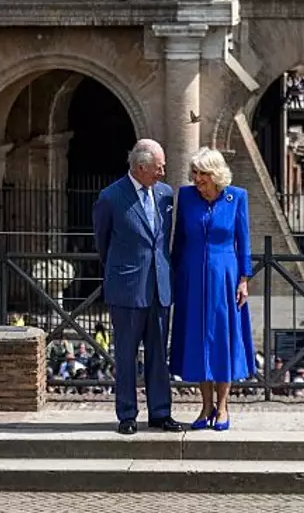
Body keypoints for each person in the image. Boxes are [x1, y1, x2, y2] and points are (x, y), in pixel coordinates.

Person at [92, 138, 184, 435]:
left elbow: (165, 241)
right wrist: (121, 273)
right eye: (159, 167)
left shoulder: (165, 194)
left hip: (160, 287)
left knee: (159, 354)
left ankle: (160, 412)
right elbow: (102, 243)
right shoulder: (110, 197)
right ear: (141, 167)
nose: (163, 171)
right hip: (128, 288)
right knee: (126, 355)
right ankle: (127, 414)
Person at [169, 146, 256, 431]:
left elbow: (243, 241)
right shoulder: (187, 197)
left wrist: (244, 278)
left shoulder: (236, 197)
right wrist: (173, 273)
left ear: (215, 174)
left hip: (225, 277)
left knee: (222, 339)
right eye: (194, 173)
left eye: (202, 174)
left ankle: (223, 407)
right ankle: (205, 406)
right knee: (198, 341)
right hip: (192, 276)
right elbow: (179, 240)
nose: (197, 179)